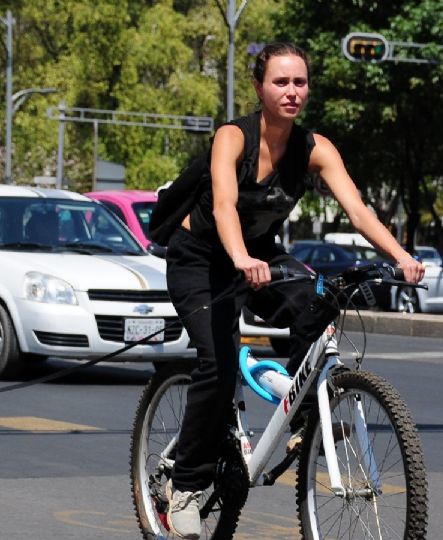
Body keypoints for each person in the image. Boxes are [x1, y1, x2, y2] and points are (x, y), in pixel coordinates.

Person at [163, 42, 425, 539]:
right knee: (217, 366)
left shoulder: (314, 147)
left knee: (318, 299)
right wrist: (239, 259)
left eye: (300, 82)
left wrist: (401, 257)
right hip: (201, 259)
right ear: (260, 88)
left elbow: (359, 211)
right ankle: (186, 487)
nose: (292, 92)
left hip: (260, 255)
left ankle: (304, 421)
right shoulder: (232, 137)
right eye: (281, 82)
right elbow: (222, 206)